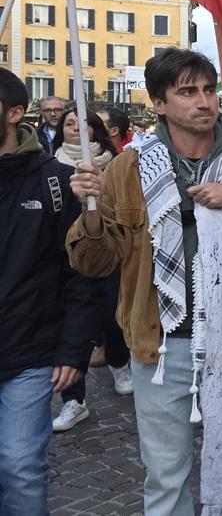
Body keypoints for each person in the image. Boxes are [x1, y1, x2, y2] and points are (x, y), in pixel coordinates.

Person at [66, 49, 222, 516]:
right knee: (166, 477)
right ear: (159, 103)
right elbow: (95, 264)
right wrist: (90, 214)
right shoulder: (125, 169)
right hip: (160, 344)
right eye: (187, 91)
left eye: (209, 90)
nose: (203, 101)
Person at [0, 71, 98, 514]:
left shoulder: (57, 182)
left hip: (30, 350)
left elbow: (79, 273)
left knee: (20, 464)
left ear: (15, 114)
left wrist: (73, 349)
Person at [49, 108, 125, 433]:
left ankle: (119, 363)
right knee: (72, 326)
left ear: (94, 131)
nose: (75, 130)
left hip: (104, 249)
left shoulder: (115, 164)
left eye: (82, 125)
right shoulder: (49, 167)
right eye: (68, 124)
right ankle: (73, 399)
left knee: (111, 314)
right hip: (65, 255)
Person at [52, 109, 118, 172]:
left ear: (95, 129)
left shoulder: (115, 163)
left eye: (84, 124)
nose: (76, 128)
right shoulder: (50, 162)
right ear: (62, 130)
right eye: (69, 124)